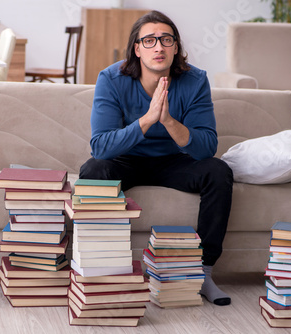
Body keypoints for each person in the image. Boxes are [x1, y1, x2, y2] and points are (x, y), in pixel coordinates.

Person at [79, 10, 233, 306]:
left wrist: (169, 121)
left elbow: (206, 147)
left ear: (176, 47)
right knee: (93, 169)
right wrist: (147, 120)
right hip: (126, 159)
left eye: (166, 39)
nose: (158, 47)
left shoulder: (195, 80)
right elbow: (100, 146)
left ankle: (203, 273)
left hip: (174, 161)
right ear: (137, 49)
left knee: (218, 170)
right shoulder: (111, 79)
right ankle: (100, 269)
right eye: (149, 40)